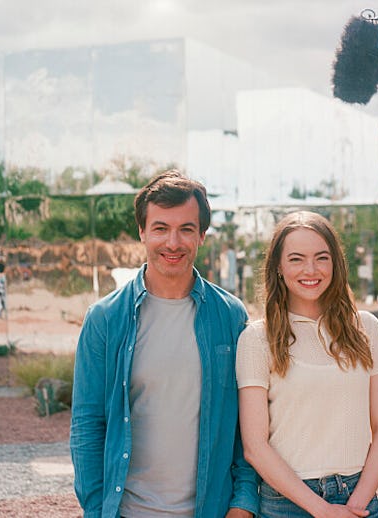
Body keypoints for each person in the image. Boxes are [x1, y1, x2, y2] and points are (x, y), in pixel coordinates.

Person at [70, 170, 258, 518]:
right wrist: (96, 510)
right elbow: (86, 426)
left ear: (202, 235)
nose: (173, 242)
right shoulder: (105, 319)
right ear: (142, 232)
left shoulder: (230, 317)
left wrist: (242, 504)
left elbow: (246, 428)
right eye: (160, 228)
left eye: (186, 229)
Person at [237, 211, 378, 517]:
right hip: (287, 502)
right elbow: (255, 447)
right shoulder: (257, 339)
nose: (311, 269)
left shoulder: (367, 328)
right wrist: (322, 510)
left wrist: (357, 504)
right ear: (279, 267)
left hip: (358, 498)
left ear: (335, 263)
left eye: (321, 258)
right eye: (296, 259)